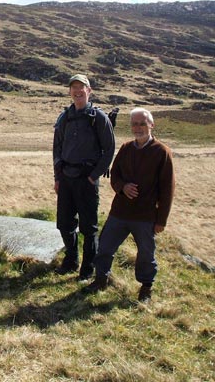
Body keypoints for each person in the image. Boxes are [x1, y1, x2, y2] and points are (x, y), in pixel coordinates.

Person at [83, 107, 175, 302]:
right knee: (105, 246)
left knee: (146, 254)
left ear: (151, 125)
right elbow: (114, 175)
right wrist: (122, 187)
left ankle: (146, 287)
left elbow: (168, 190)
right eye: (134, 123)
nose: (138, 127)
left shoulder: (162, 152)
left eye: (142, 123)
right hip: (120, 212)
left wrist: (161, 220)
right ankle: (101, 278)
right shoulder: (125, 148)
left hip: (146, 215)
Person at [53, 74, 115, 280]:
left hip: (87, 180)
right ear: (69, 91)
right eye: (74, 87)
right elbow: (57, 149)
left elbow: (109, 149)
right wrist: (58, 177)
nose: (78, 91)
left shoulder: (99, 117)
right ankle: (71, 261)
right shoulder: (64, 117)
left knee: (89, 227)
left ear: (89, 91)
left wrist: (94, 175)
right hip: (66, 179)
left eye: (82, 87)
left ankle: (87, 269)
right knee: (64, 223)